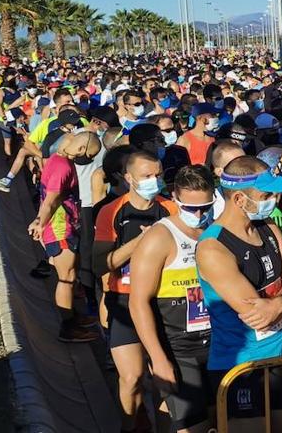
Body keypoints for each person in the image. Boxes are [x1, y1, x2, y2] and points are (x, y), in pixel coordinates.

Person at [196, 156, 282, 431]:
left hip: (281, 356)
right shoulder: (213, 247)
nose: (273, 200)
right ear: (238, 200)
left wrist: (281, 301)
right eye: (266, 194)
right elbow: (256, 313)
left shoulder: (268, 228)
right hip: (242, 368)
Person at [129, 165, 216, 433]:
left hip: (218, 344)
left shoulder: (216, 230)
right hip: (179, 350)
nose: (199, 215)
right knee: (194, 427)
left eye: (206, 207)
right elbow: (138, 301)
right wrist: (158, 358)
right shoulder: (159, 238)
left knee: (220, 420)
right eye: (191, 209)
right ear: (175, 200)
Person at [95, 151, 178, 431]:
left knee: (164, 381)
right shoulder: (112, 211)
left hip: (163, 300)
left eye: (158, 175)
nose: (154, 181)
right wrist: (143, 241)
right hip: (123, 300)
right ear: (129, 178)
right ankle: (129, 426)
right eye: (146, 176)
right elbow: (100, 263)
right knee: (131, 378)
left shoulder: (171, 208)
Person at [27, 130, 102, 342]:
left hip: (66, 224)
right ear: (80, 149)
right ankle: (68, 329)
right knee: (66, 278)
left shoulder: (58, 159)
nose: (89, 160)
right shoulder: (62, 167)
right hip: (60, 228)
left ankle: (72, 316)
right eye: (90, 155)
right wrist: (39, 221)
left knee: (70, 274)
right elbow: (50, 200)